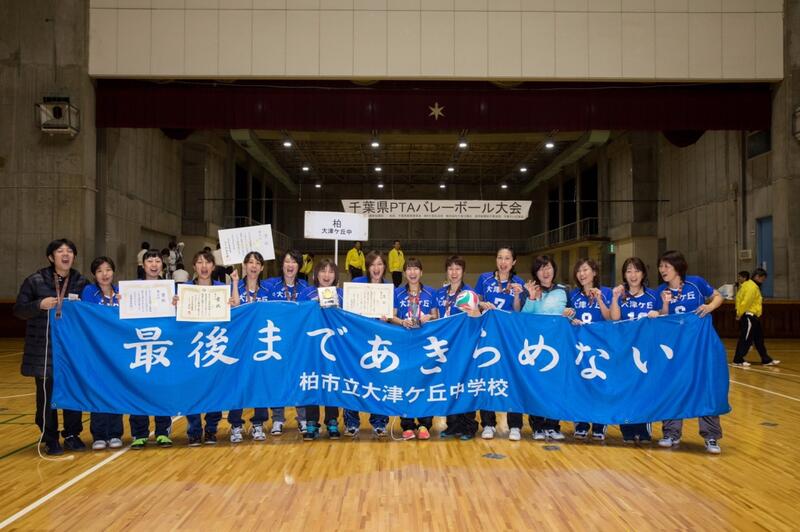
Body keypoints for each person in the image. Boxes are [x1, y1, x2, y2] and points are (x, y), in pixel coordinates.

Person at [13, 238, 88, 455]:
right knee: (46, 395)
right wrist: (39, 304)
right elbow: (19, 310)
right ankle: (50, 437)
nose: (65, 254)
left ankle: (72, 434)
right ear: (50, 257)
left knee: (73, 391)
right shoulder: (35, 281)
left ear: (74, 256)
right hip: (44, 348)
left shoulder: (81, 282)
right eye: (60, 251)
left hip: (72, 348)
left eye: (70, 251)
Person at [656, 250, 725, 454]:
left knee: (705, 387)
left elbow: (718, 296)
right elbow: (661, 317)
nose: (662, 270)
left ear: (678, 267)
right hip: (674, 349)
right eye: (660, 266)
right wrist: (664, 304)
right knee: (672, 388)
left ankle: (711, 436)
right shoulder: (661, 290)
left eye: (666, 266)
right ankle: (671, 433)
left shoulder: (696, 283)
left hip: (699, 347)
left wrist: (710, 307)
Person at [179, 250, 238, 446]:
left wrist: (233, 295)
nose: (203, 266)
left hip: (215, 345)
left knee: (215, 387)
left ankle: (211, 429)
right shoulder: (185, 289)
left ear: (213, 266)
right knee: (192, 389)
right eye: (199, 262)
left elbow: (236, 309)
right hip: (193, 346)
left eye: (207, 262)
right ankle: (194, 430)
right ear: (194, 266)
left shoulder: (222, 288)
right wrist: (174, 304)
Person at [473, 246, 526, 440]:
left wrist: (518, 295)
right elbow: (476, 303)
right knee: (487, 377)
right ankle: (488, 423)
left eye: (507, 258)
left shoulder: (519, 282)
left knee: (512, 379)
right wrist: (482, 304)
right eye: (500, 258)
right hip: (488, 336)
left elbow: (518, 311)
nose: (503, 262)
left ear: (513, 262)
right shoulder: (484, 279)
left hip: (510, 338)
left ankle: (515, 425)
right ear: (496, 260)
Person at [518, 255, 570, 441]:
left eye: (548, 267)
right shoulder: (530, 291)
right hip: (536, 346)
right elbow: (524, 317)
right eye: (541, 269)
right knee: (537, 386)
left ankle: (553, 426)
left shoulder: (564, 290)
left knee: (556, 387)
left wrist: (571, 314)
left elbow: (572, 315)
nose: (545, 272)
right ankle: (537, 426)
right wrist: (532, 298)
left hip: (558, 346)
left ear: (554, 269)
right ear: (535, 273)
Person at [609, 257, 660, 444]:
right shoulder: (620, 294)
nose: (633, 275)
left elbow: (664, 316)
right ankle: (627, 429)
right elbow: (614, 318)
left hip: (646, 352)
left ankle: (644, 430)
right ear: (624, 274)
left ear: (643, 274)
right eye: (629, 271)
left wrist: (658, 313)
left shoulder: (653, 296)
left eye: (637, 271)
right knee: (626, 390)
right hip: (624, 352)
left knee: (645, 390)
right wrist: (614, 298)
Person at [128, 249, 175, 449]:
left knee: (162, 389)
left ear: (162, 265)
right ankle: (139, 433)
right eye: (150, 261)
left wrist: (177, 304)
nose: (154, 264)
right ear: (143, 265)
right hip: (140, 344)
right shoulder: (132, 289)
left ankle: (163, 431)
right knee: (138, 389)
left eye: (157, 261)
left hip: (162, 345)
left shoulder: (170, 288)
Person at [389, 258, 438, 440]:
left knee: (426, 382)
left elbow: (436, 316)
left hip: (425, 345)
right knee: (406, 383)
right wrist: (402, 322)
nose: (412, 272)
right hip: (405, 345)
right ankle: (407, 424)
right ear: (404, 273)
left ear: (421, 272)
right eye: (409, 269)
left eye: (416, 268)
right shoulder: (397, 293)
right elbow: (391, 316)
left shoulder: (431, 292)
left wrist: (428, 318)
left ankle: (425, 424)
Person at [344, 250, 390, 437]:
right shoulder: (357, 284)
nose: (376, 268)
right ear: (367, 267)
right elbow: (347, 311)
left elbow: (394, 315)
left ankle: (379, 422)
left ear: (384, 267)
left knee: (380, 382)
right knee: (353, 381)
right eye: (372, 265)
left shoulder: (389, 288)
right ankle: (351, 422)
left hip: (378, 343)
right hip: (356, 342)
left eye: (380, 264)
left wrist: (388, 318)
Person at [80, 256, 125, 451]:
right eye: (99, 271)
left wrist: (124, 304)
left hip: (118, 353)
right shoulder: (89, 292)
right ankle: (98, 435)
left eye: (108, 270)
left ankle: (115, 433)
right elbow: (88, 316)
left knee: (116, 392)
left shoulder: (121, 292)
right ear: (94, 275)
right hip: (96, 352)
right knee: (98, 392)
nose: (104, 274)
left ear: (113, 272)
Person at [297, 258, 344, 441]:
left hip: (334, 346)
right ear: (316, 274)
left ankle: (332, 420)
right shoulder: (306, 293)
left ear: (336, 275)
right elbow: (298, 316)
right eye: (323, 271)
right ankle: (311, 421)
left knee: (331, 381)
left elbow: (351, 317)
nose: (326, 275)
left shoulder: (341, 294)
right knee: (312, 381)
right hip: (311, 346)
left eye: (331, 271)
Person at [263, 250, 309, 435]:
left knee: (300, 379)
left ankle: (303, 418)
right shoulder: (270, 286)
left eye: (294, 262)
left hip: (299, 343)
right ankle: (277, 419)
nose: (290, 265)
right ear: (282, 265)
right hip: (276, 341)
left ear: (299, 266)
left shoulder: (305, 287)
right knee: (277, 380)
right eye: (287, 261)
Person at [227, 251, 271, 443]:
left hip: (262, 345)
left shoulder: (267, 290)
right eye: (250, 262)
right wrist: (235, 282)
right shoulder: (235, 286)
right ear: (244, 265)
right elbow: (235, 308)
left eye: (257, 263)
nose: (253, 266)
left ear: (262, 268)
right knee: (238, 384)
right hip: (239, 346)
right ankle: (235, 424)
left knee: (259, 384)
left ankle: (258, 423)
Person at [567, 258, 612, 441]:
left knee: (600, 386)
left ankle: (599, 424)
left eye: (585, 270)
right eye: (579, 271)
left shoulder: (606, 292)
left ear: (594, 272)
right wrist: (571, 319)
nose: (582, 274)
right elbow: (566, 317)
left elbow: (610, 318)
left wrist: (600, 299)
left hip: (601, 347)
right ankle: (581, 423)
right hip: (580, 348)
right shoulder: (573, 295)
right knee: (580, 386)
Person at [435, 256, 478, 440]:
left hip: (463, 346)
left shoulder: (469, 293)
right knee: (449, 386)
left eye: (457, 269)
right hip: (445, 347)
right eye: (451, 268)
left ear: (463, 272)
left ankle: (469, 426)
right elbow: (436, 318)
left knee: (465, 386)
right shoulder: (440, 293)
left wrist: (473, 311)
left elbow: (476, 318)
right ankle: (452, 425)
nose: (454, 272)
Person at [733, 268, 780, 367]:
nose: (763, 281)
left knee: (759, 339)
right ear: (757, 277)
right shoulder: (752, 287)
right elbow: (746, 301)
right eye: (763, 279)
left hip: (754, 316)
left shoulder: (750, 285)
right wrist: (739, 313)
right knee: (746, 338)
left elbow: (739, 298)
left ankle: (766, 359)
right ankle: (738, 359)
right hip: (749, 315)